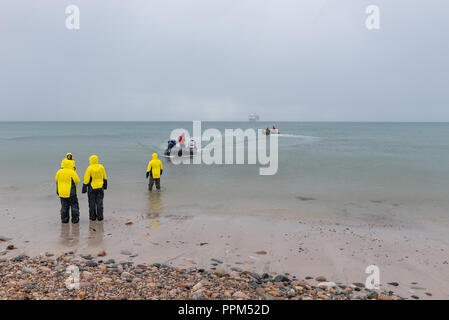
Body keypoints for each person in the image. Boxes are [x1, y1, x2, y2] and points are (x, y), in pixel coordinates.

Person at [82, 155, 108, 221]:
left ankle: (92, 217)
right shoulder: (101, 167)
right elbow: (104, 177)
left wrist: (84, 188)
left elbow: (86, 179)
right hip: (100, 187)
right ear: (97, 160)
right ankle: (100, 217)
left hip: (92, 188)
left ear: (90, 160)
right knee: (100, 202)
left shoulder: (89, 168)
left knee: (92, 203)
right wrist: (105, 185)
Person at [55, 159, 81, 224]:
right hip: (71, 192)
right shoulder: (71, 171)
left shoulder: (59, 172)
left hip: (62, 193)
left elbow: (56, 180)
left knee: (64, 206)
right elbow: (77, 180)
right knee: (74, 205)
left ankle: (64, 220)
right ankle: (75, 220)